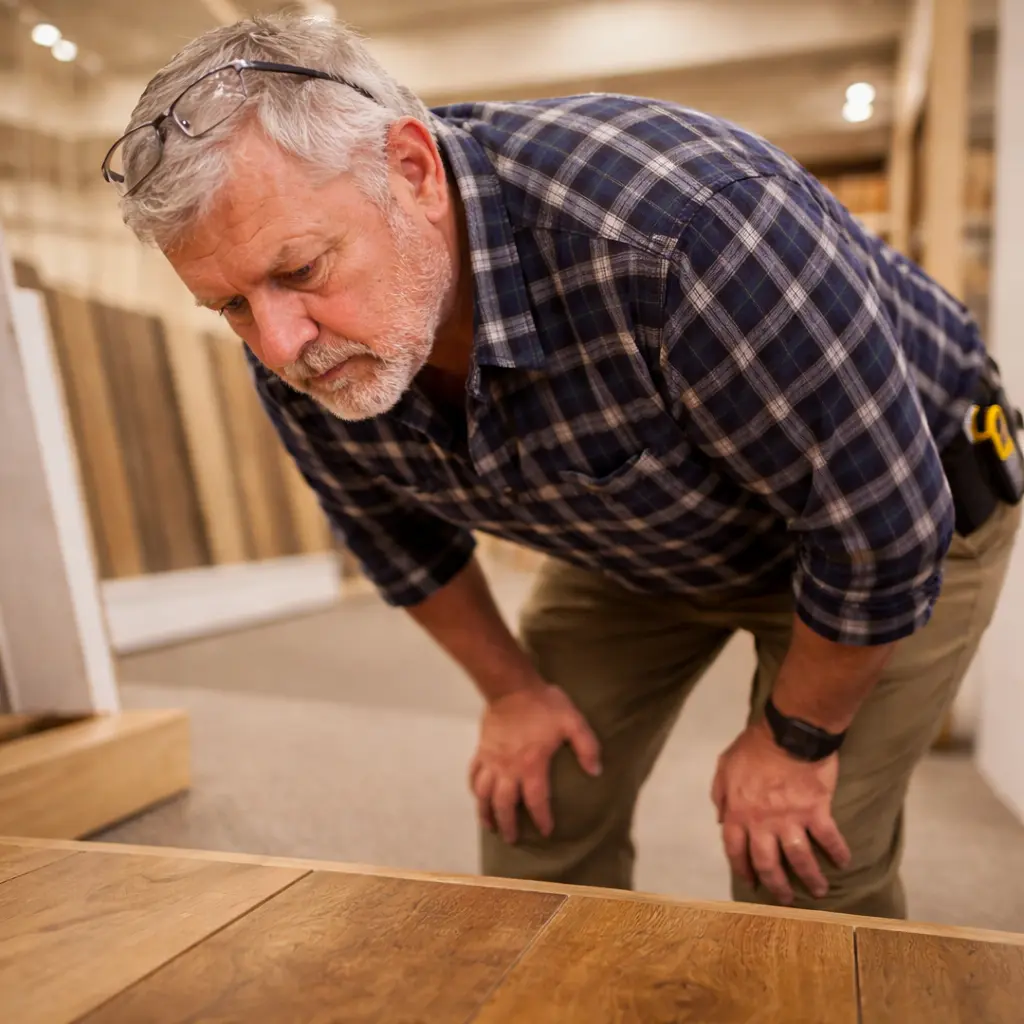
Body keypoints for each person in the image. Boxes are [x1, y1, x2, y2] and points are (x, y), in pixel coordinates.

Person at [102, 13, 1021, 919]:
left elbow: (879, 533)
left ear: (413, 171)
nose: (279, 343)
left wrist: (795, 740)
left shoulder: (688, 226)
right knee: (536, 804)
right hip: (643, 526)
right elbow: (396, 540)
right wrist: (513, 694)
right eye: (229, 305)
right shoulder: (303, 345)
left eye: (299, 270)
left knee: (801, 863)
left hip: (900, 512)